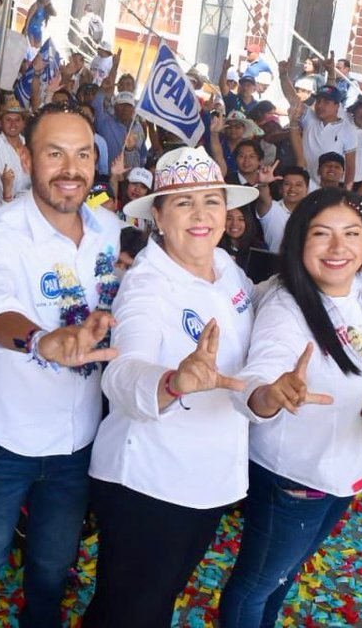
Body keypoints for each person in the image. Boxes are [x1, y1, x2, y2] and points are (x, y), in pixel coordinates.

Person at [0, 103, 121, 628]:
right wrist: (42, 340)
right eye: (54, 153)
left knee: (52, 567)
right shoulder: (0, 234)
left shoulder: (113, 234)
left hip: (78, 445)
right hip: (4, 440)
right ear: (26, 157)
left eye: (82, 154)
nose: (70, 169)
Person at [85, 145, 263, 628]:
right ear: (158, 217)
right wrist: (173, 381)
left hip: (211, 476)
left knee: (149, 598)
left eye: (212, 200)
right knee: (133, 611)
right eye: (184, 203)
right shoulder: (147, 284)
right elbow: (121, 373)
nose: (201, 214)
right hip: (151, 481)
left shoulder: (231, 270)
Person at [220, 188, 362, 627]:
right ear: (299, 241)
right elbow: (261, 375)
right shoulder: (287, 307)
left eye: (351, 234)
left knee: (283, 574)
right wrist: (270, 394)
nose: (339, 248)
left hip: (346, 471)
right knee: (256, 584)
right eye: (322, 234)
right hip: (297, 477)